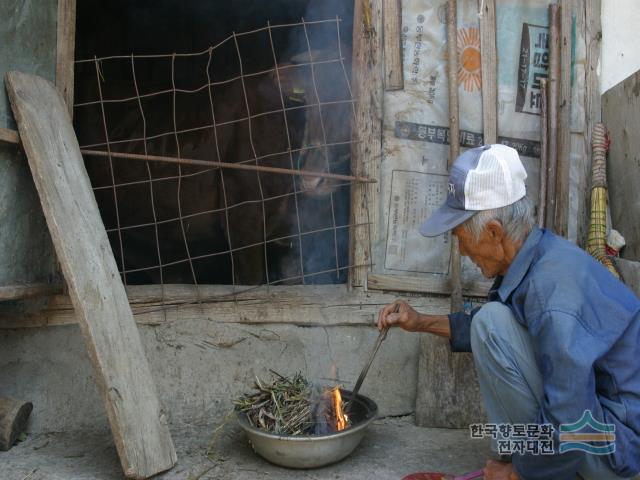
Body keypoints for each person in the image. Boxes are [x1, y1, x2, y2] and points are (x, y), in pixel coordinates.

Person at [377, 145, 640, 480]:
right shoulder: (539, 254)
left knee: (491, 324)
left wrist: (518, 472)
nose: (462, 250)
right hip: (604, 425)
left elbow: (571, 418)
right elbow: (508, 332)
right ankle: (524, 458)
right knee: (493, 321)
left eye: (461, 237)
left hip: (619, 452)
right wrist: (420, 322)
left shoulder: (551, 293)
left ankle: (533, 467)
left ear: (493, 232)